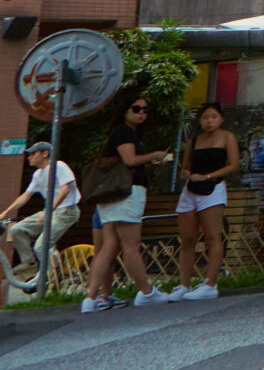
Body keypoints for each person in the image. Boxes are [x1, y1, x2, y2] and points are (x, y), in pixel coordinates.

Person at [84, 97, 172, 311]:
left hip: (110, 194)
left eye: (144, 109)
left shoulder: (120, 133)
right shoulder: (124, 132)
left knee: (108, 246)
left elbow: (129, 163)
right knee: (130, 245)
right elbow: (130, 161)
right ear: (124, 110)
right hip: (127, 192)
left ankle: (91, 298)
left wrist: (149, 162)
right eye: (136, 108)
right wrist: (154, 155)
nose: (141, 113)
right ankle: (146, 292)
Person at [172, 102, 239, 300]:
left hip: (214, 188)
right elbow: (185, 166)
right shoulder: (194, 140)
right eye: (205, 117)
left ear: (221, 119)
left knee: (212, 236)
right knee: (187, 238)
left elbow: (232, 165)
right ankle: (184, 284)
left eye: (213, 117)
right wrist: (187, 173)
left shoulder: (227, 137)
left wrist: (208, 176)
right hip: (191, 189)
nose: (209, 121)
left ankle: (210, 283)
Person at [1, 141, 79, 290]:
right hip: (51, 211)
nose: (29, 157)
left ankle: (50, 279)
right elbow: (26, 195)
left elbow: (66, 189)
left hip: (66, 212)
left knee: (41, 247)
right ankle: (30, 264)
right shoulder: (38, 174)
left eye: (33, 154)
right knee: (17, 229)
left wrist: (49, 210)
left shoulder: (59, 166)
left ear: (45, 154)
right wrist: (5, 212)